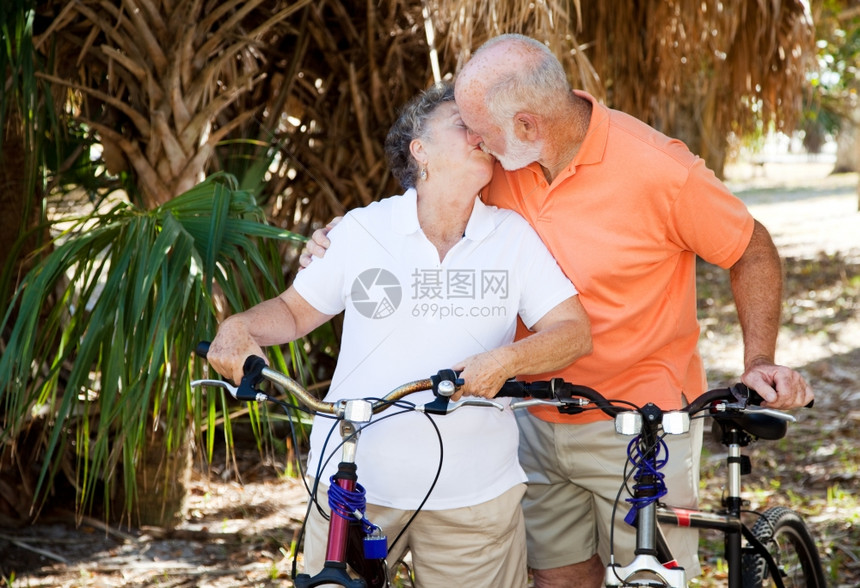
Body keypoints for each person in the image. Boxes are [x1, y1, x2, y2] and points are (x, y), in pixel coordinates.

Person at [300, 34, 815, 588]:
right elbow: (425, 202)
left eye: (479, 129)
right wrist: (336, 240)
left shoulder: (660, 171)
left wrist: (759, 356)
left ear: (526, 125)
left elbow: (750, 248)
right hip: (531, 417)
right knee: (556, 579)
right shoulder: (501, 161)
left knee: (649, 581)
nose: (473, 140)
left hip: (640, 422)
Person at [206, 81, 592, 587]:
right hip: (354, 483)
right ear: (420, 149)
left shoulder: (512, 238)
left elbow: (573, 332)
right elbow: (294, 313)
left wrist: (506, 361)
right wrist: (238, 327)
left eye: (483, 126)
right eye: (462, 124)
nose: (479, 134)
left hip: (474, 497)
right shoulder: (361, 231)